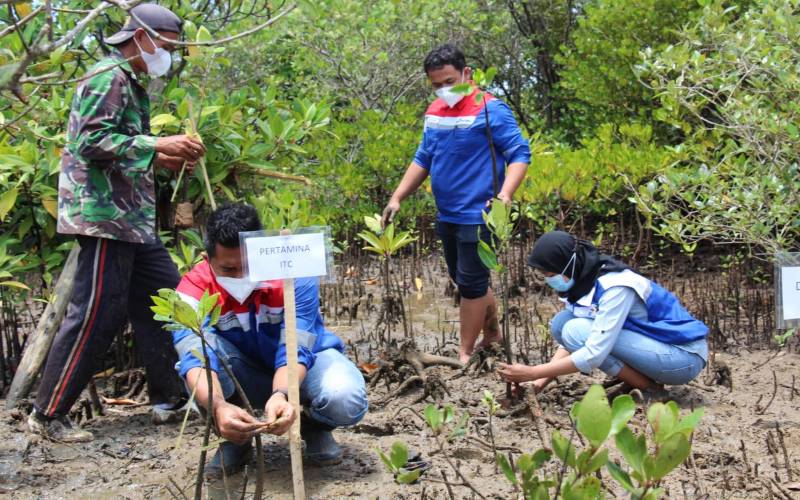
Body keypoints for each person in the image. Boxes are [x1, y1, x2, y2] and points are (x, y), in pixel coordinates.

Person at [28, 4, 207, 442]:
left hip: (131, 220)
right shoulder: (106, 75)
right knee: (95, 314)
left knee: (169, 300)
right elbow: (88, 140)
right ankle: (47, 415)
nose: (167, 54)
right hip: (104, 218)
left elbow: (120, 147)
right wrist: (157, 140)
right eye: (165, 46)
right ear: (141, 37)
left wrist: (161, 157)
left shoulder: (129, 81)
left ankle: (170, 399)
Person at [172, 203, 368, 477]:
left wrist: (282, 394)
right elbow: (194, 357)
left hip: (305, 367)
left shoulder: (294, 270)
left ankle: (314, 425)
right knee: (202, 357)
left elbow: (297, 344)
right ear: (207, 259)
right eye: (228, 269)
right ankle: (233, 434)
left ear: (259, 250)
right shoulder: (191, 288)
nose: (240, 277)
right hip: (242, 369)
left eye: (247, 267)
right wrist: (218, 407)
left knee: (344, 397)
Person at [381, 44, 531, 364]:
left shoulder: (492, 109)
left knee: (472, 286)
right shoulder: (435, 112)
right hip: (447, 212)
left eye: (449, 81)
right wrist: (397, 197)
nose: (443, 90)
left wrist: (506, 194)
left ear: (467, 74)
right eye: (436, 84)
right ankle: (492, 334)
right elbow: (424, 157)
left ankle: (464, 354)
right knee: (465, 280)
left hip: (481, 213)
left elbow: (519, 154)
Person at [498, 231, 708, 396]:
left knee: (575, 330)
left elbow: (593, 353)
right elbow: (569, 344)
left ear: (570, 263)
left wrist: (533, 372)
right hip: (655, 349)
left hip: (683, 358)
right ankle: (640, 383)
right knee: (562, 324)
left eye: (550, 274)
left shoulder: (615, 287)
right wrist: (537, 385)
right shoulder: (585, 280)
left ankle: (650, 389)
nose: (548, 279)